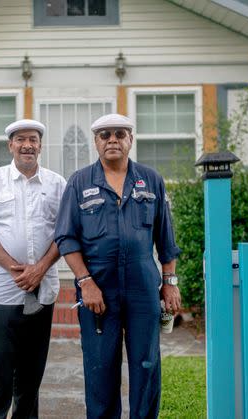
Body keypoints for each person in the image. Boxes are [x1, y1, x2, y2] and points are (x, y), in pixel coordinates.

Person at [54, 114, 181, 419]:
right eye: (105, 135)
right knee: (100, 367)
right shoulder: (80, 182)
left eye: (119, 134)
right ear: (96, 142)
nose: (112, 139)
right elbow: (65, 237)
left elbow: (165, 237)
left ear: (130, 140)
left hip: (142, 288)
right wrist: (85, 281)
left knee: (146, 364)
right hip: (98, 289)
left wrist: (170, 282)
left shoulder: (151, 180)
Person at [0, 119, 66, 419]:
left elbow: (65, 233)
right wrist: (16, 269)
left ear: (40, 145)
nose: (27, 145)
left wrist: (40, 268)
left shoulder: (57, 184)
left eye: (33, 139)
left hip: (43, 291)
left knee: (30, 378)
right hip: (2, 292)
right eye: (20, 139)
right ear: (10, 145)